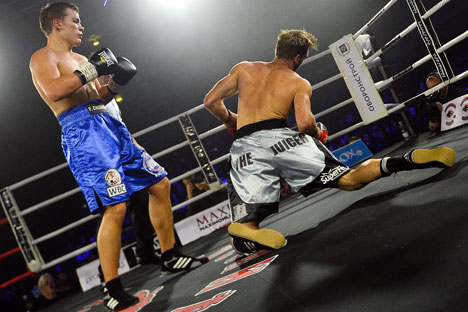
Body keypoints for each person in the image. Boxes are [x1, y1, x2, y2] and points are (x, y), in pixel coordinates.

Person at [203, 29, 456, 256]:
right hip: (281, 140)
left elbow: (211, 101)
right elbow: (303, 125)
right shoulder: (298, 82)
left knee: (251, 215)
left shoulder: (244, 68)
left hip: (245, 147)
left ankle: (246, 227)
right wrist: (318, 135)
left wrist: (231, 121)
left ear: (277, 50)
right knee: (349, 179)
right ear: (298, 58)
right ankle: (407, 160)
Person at [29, 3, 207, 311]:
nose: (81, 26)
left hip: (109, 125)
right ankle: (111, 287)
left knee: (160, 183)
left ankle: (170, 255)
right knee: (115, 207)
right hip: (82, 132)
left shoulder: (82, 58)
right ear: (57, 24)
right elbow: (55, 90)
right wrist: (93, 69)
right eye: (76, 21)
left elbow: (98, 96)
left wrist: (115, 83)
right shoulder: (42, 58)